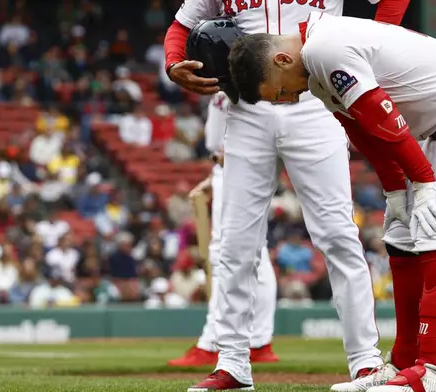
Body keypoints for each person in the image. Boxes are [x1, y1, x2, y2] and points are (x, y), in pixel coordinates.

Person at [227, 12, 436, 392]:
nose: (287, 99)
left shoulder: (325, 47)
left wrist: (422, 181)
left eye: (279, 92)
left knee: (435, 230)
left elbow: (382, 114)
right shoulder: (315, 64)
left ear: (281, 60)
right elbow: (364, 130)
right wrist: (394, 190)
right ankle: (406, 362)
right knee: (402, 235)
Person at [164, 0, 410, 390]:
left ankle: (365, 361)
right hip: (245, 105)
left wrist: (374, 45)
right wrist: (173, 62)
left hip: (315, 99)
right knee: (235, 242)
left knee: (338, 236)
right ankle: (232, 361)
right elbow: (182, 25)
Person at [167, 92, 279, 367]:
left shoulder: (237, 81)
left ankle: (213, 343)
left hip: (236, 166)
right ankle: (258, 342)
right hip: (235, 166)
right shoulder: (252, 77)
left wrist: (225, 167)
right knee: (256, 252)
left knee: (226, 252)